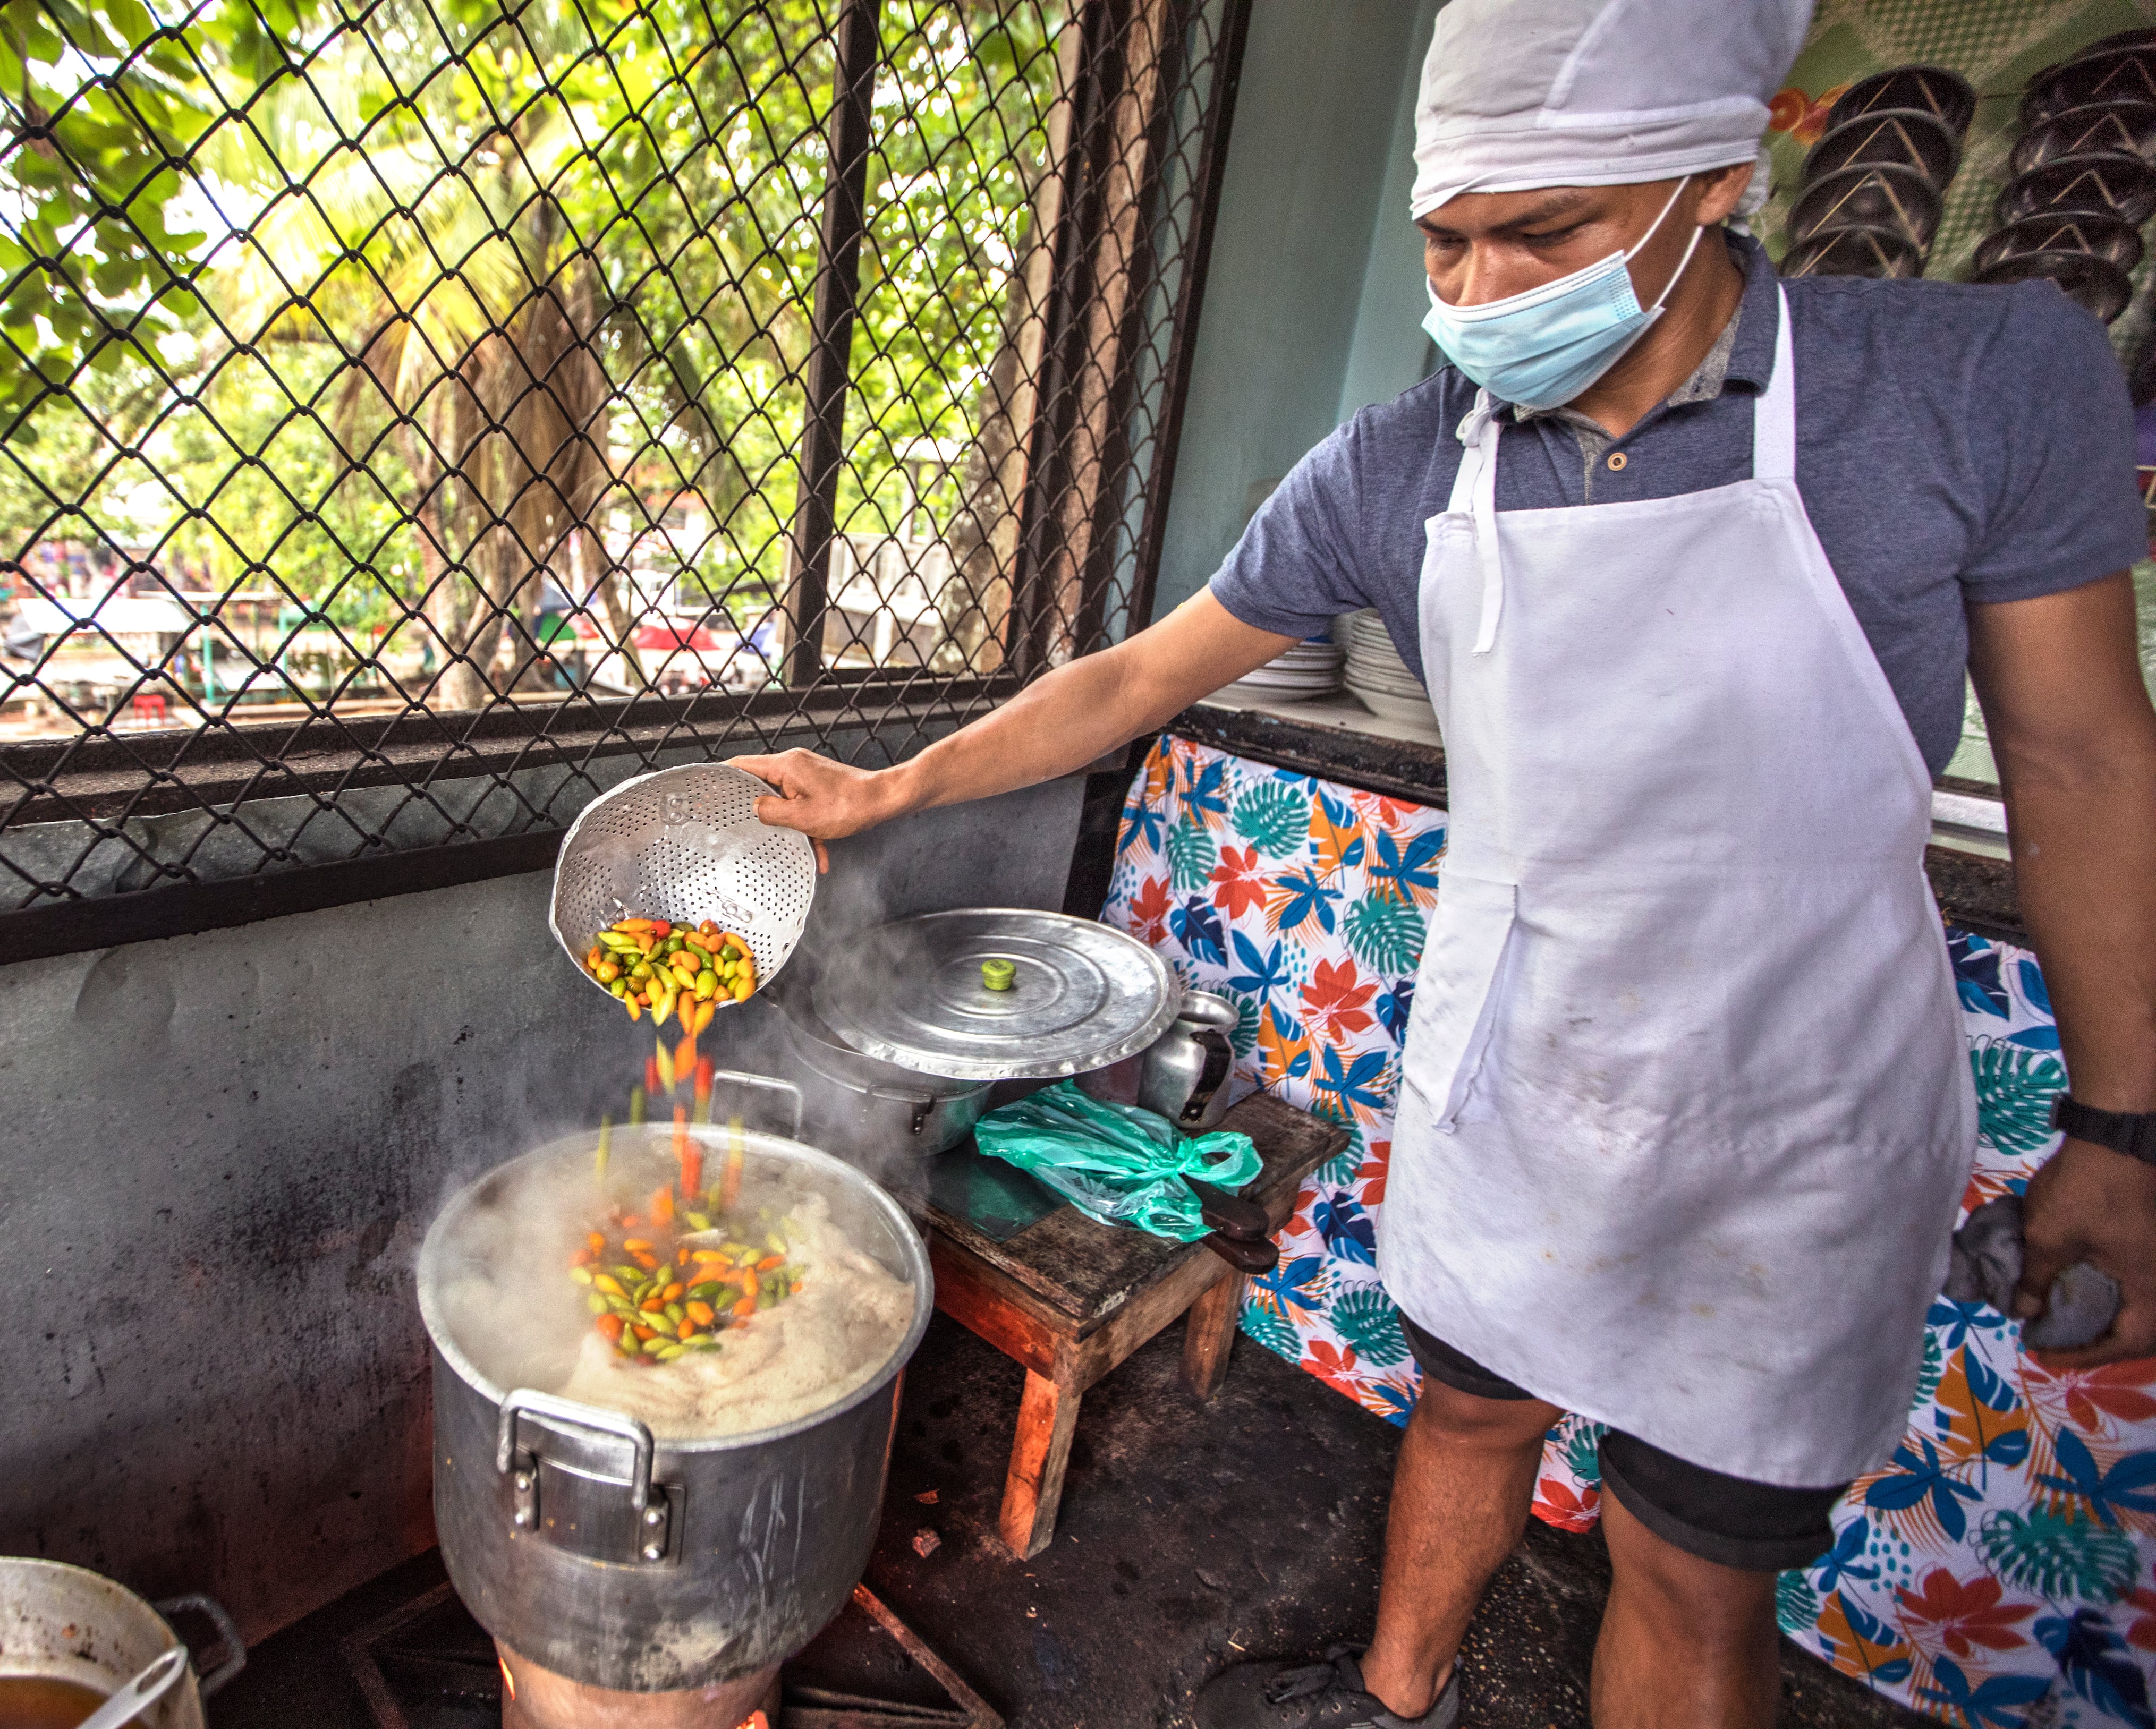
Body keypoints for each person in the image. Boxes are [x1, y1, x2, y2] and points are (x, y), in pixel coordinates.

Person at [736, 1, 2156, 1723]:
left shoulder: (1968, 387)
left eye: (1543, 233)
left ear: (1719, 177)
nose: (1481, 293)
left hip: (1799, 1104)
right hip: (1523, 1076)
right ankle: (1391, 1696)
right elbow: (1132, 678)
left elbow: (2087, 760)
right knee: (1470, 1412)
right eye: (1447, 241)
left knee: (1686, 1568)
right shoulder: (1403, 464)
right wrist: (890, 787)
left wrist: (2124, 1125)